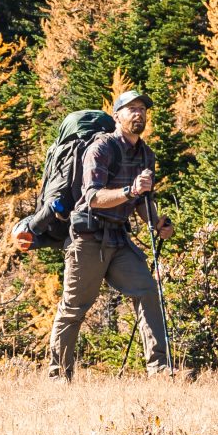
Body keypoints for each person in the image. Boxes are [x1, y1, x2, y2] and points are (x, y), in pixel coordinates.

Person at [46, 89, 173, 379]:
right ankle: (58, 376)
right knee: (74, 308)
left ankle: (160, 370)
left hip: (118, 238)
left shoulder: (146, 154)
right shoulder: (101, 148)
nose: (138, 113)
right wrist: (130, 190)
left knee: (147, 291)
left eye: (142, 109)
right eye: (132, 109)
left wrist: (156, 223)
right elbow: (92, 197)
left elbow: (142, 201)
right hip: (88, 237)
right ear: (117, 116)